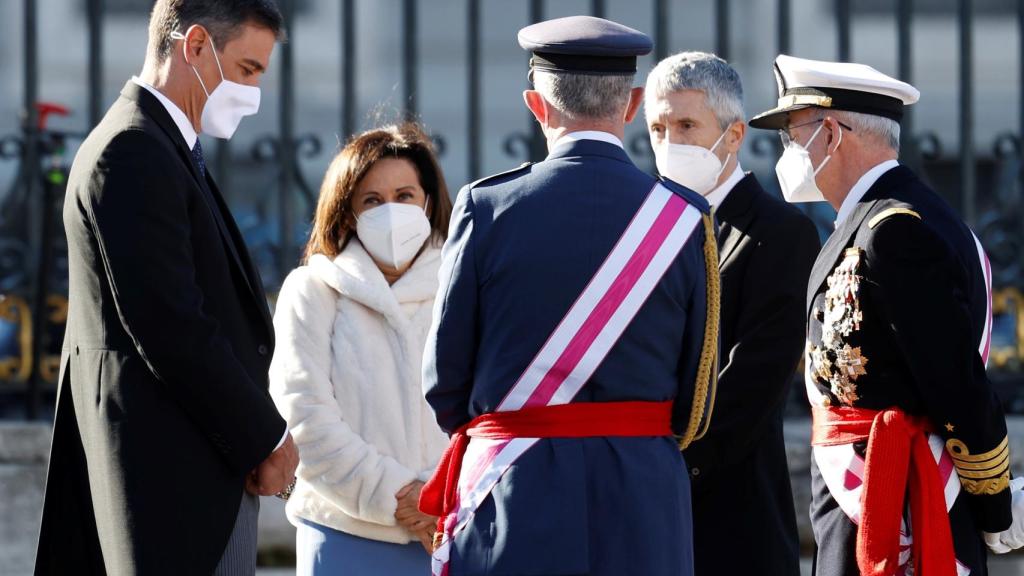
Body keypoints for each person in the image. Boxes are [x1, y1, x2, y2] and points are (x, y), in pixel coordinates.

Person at [418, 15, 718, 576]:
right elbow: (696, 403)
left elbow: (445, 383)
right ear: (631, 106)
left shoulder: (487, 207)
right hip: (642, 494)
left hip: (515, 484)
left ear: (538, 105)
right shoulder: (682, 218)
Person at [34, 1, 297, 574]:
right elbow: (172, 325)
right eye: (248, 69)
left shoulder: (158, 145)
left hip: (195, 477)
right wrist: (264, 437)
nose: (254, 92)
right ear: (197, 46)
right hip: (173, 492)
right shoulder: (132, 150)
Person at [749, 54, 1022, 575]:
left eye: (792, 135)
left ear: (830, 133)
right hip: (870, 490)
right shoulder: (876, 216)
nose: (787, 153)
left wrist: (994, 503)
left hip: (896, 502)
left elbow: (954, 381)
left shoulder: (896, 229)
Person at [645, 51, 818, 576]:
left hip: (732, 519)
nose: (669, 141)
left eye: (686, 124)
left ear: (735, 134)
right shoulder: (646, 226)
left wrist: (658, 466)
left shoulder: (780, 233)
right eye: (657, 127)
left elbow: (751, 385)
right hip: (646, 516)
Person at [269, 123, 452, 575]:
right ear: (347, 211)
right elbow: (304, 418)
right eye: (372, 200)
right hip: (344, 537)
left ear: (427, 203)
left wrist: (444, 499)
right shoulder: (313, 290)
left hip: (450, 534)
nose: (391, 211)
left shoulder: (463, 286)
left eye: (405, 195)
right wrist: (402, 496)